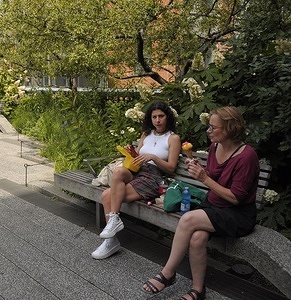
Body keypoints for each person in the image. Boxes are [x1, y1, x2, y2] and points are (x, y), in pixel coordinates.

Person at [142, 106, 260, 300]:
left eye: (213, 128)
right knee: (197, 238)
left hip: (236, 213)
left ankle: (168, 274)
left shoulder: (247, 157)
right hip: (214, 205)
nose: (208, 131)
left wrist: (204, 179)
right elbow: (215, 176)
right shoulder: (215, 147)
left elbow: (235, 197)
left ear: (229, 129)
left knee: (188, 220)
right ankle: (198, 290)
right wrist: (197, 168)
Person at [92, 101, 181, 259]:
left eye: (161, 116)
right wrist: (131, 152)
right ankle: (114, 223)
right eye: (154, 117)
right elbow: (137, 155)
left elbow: (171, 168)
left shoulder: (173, 138)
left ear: (167, 118)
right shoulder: (146, 134)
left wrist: (153, 157)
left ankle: (111, 241)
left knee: (107, 195)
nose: (158, 120)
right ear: (150, 118)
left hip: (153, 177)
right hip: (138, 171)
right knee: (119, 172)